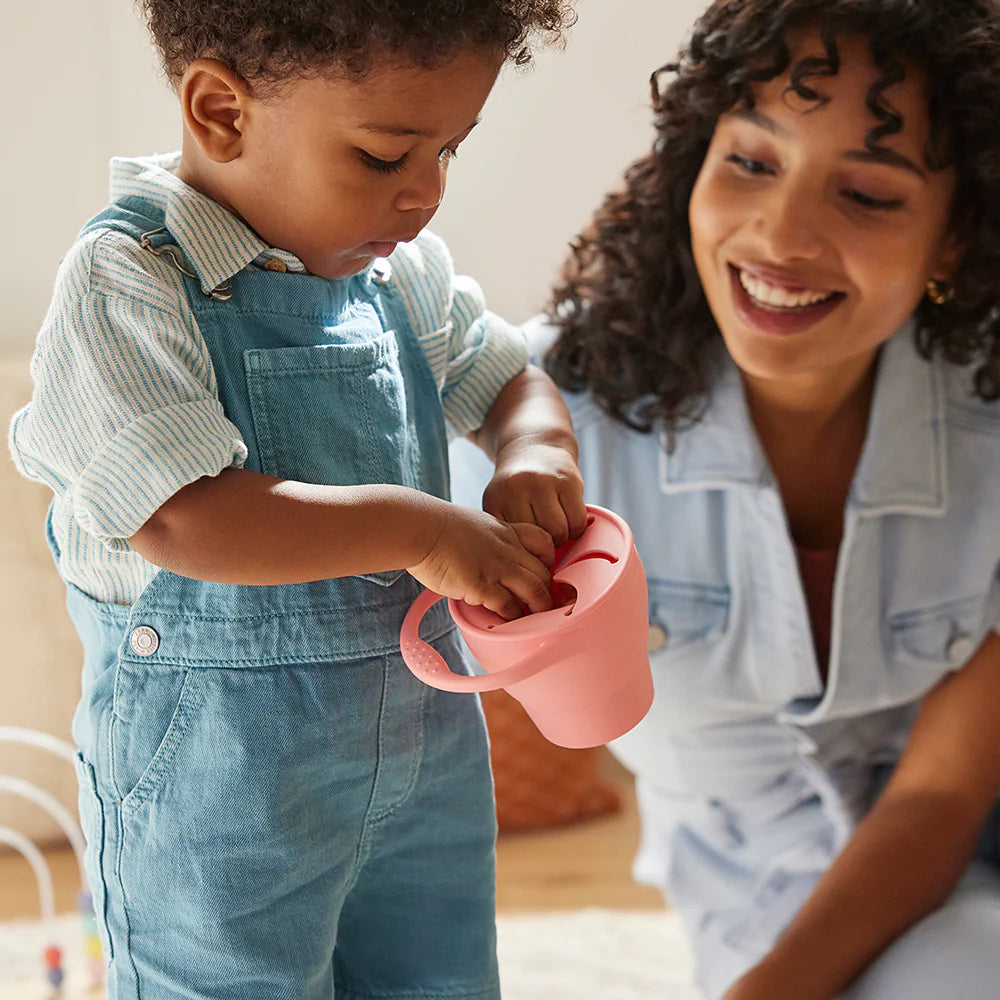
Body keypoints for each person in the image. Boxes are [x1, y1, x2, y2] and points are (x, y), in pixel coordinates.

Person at [8, 2, 585, 998]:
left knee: (440, 977)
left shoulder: (399, 279)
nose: (424, 196)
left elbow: (510, 379)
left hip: (423, 765)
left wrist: (534, 450)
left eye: (450, 149)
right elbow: (184, 514)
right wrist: (422, 527)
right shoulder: (129, 283)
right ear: (222, 110)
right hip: (215, 792)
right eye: (382, 156)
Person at [539, 1, 1000, 997]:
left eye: (868, 195)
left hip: (955, 871)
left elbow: (942, 791)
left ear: (955, 239)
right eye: (750, 162)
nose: (780, 233)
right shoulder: (545, 424)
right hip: (753, 903)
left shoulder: (989, 427)